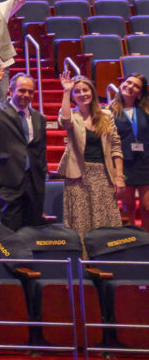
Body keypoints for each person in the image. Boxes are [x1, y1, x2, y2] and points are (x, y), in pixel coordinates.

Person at [0, 66, 47, 231]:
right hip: (8, 180)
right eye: (22, 90)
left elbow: (39, 149)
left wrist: (42, 173)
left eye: (30, 92)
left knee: (34, 230)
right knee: (12, 229)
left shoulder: (39, 118)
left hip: (34, 182)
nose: (26, 95)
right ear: (11, 90)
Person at [57, 72, 123, 246]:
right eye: (77, 92)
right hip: (77, 174)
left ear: (92, 92)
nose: (82, 94)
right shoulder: (70, 113)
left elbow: (116, 146)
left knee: (105, 218)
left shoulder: (106, 115)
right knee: (81, 219)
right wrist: (66, 91)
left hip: (103, 174)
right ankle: (83, 256)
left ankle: (106, 253)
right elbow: (64, 122)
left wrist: (119, 176)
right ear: (73, 96)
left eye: (85, 90)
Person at [112, 73, 149, 227]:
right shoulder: (109, 111)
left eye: (136, 86)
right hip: (124, 164)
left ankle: (146, 239)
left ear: (140, 92)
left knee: (147, 208)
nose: (130, 87)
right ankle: (132, 239)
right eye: (128, 82)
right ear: (122, 84)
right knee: (128, 209)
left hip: (145, 163)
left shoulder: (146, 110)